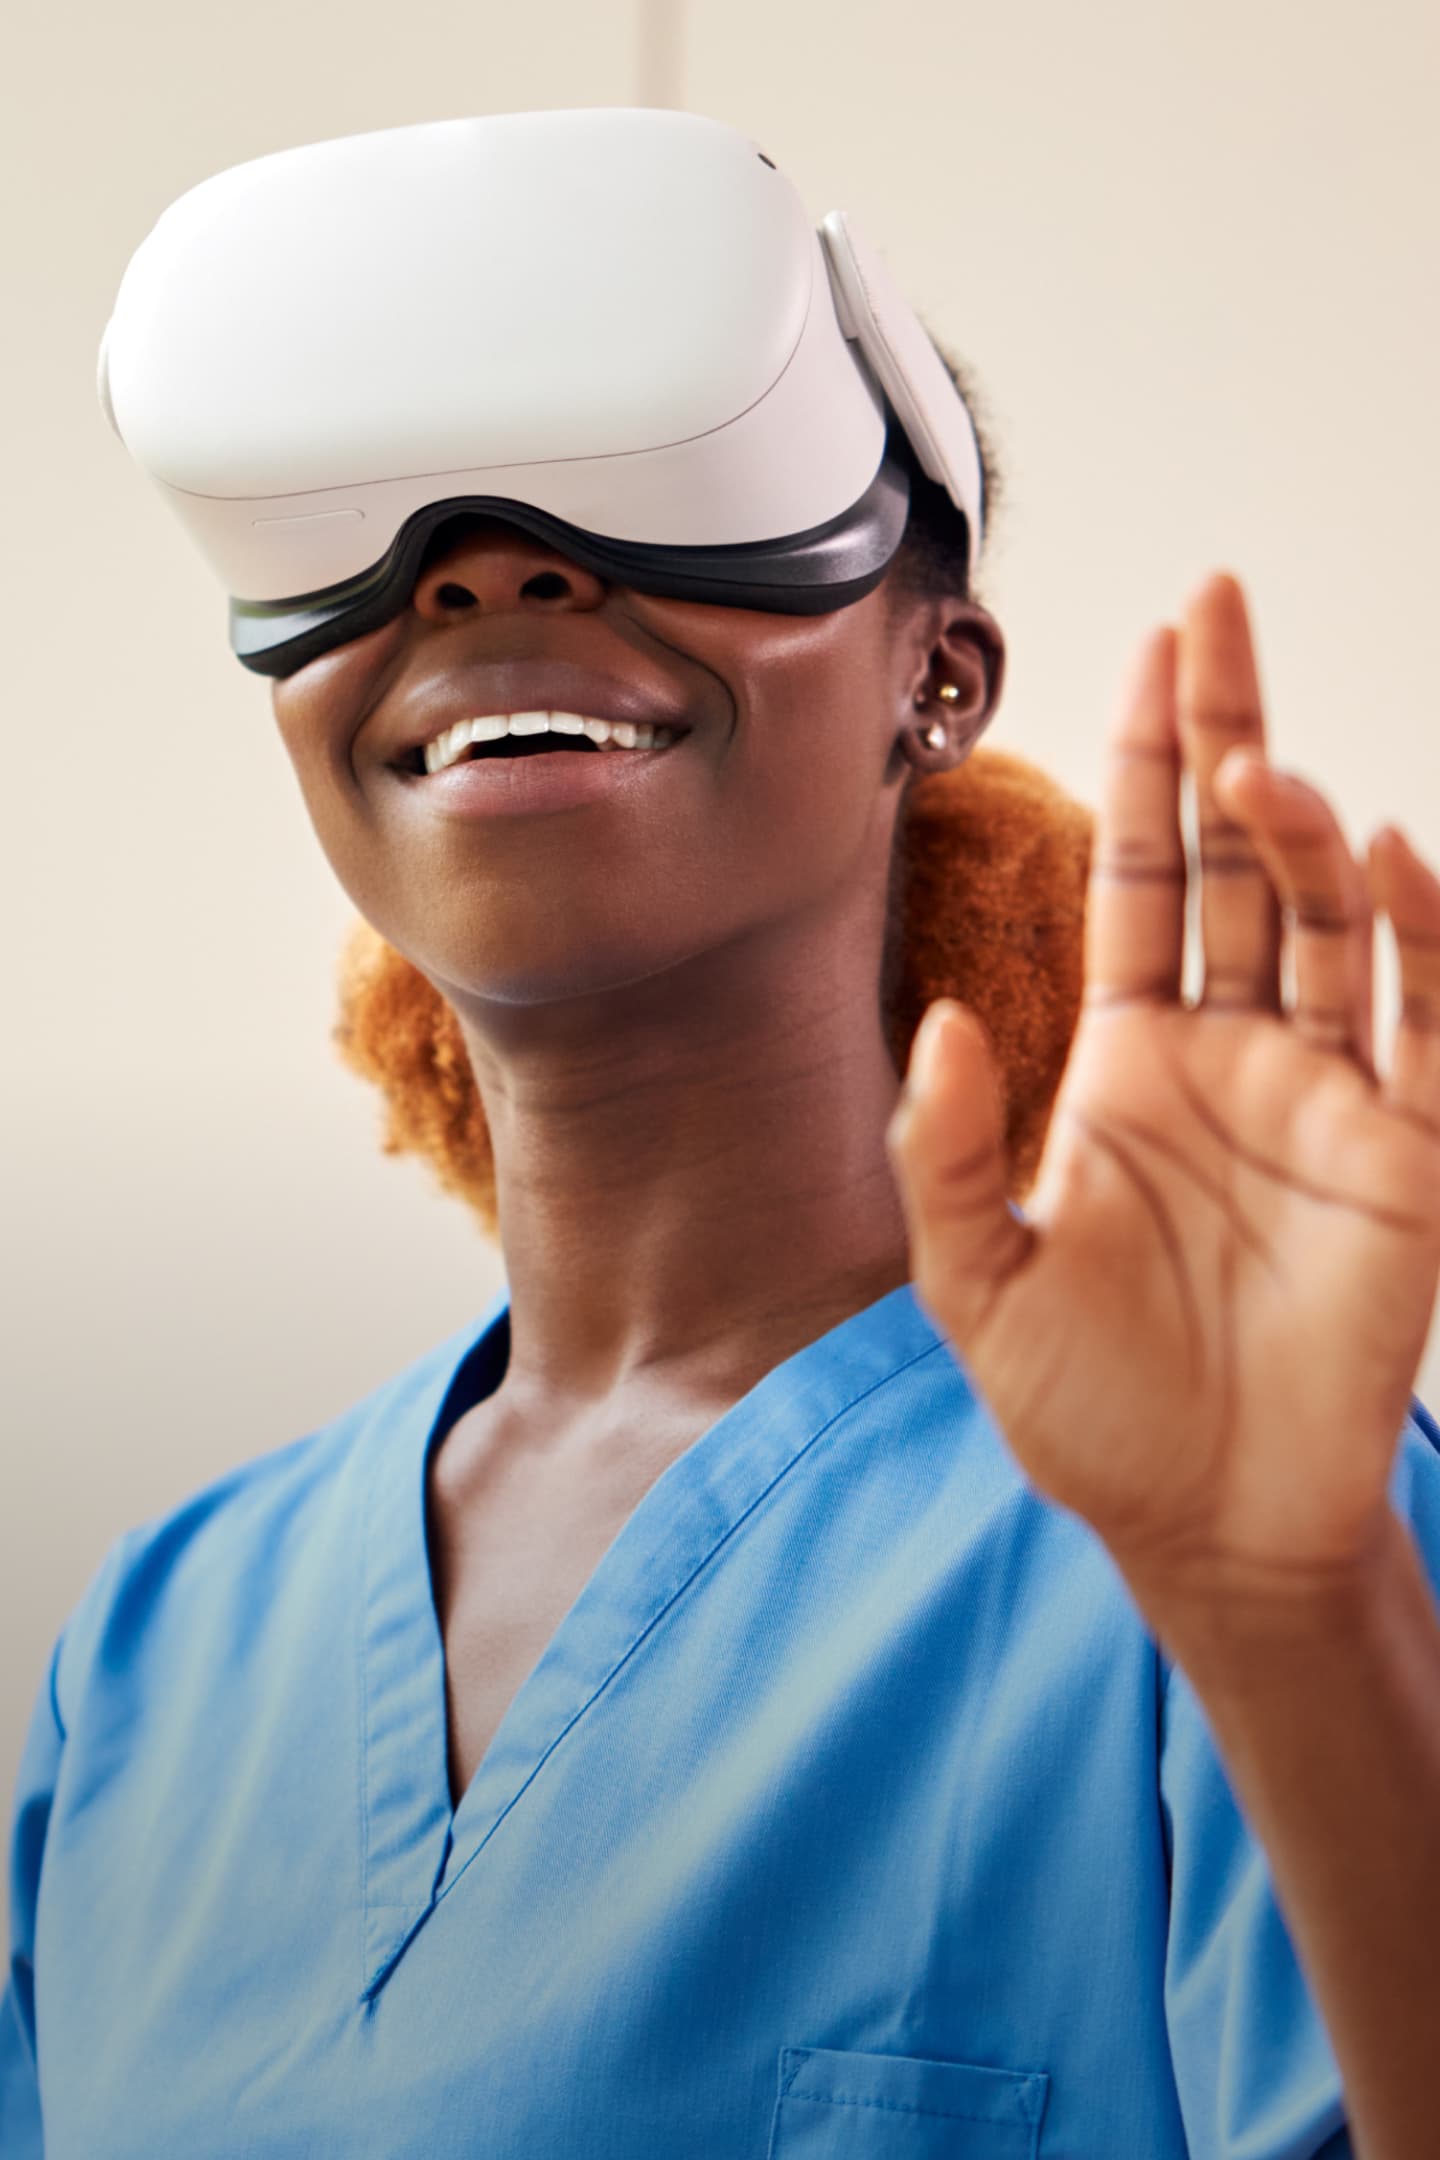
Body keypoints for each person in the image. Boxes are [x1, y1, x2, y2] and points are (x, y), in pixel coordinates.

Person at [4, 336, 1439, 2160]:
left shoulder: (1251, 1519)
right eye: (377, 520)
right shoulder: (151, 1650)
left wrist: (1301, 1622)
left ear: (935, 674)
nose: (483, 566)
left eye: (657, 473)